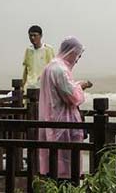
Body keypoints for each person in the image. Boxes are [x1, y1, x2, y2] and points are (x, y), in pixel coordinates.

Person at [38, 36, 93, 179]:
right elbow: (72, 97)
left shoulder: (49, 67)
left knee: (53, 162)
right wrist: (81, 86)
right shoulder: (60, 70)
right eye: (77, 55)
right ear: (71, 52)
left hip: (50, 119)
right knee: (66, 164)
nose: (77, 59)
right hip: (62, 123)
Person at [22, 25, 54, 89]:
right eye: (30, 36)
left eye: (35, 35)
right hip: (30, 85)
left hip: (43, 86)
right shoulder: (28, 50)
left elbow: (52, 69)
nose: (32, 38)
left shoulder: (48, 49)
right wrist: (22, 85)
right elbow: (26, 69)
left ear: (41, 36)